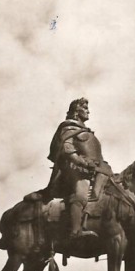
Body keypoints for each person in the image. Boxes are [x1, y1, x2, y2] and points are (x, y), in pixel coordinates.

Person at [44, 97, 113, 239]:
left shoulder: (86, 131)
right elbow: (67, 150)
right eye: (85, 108)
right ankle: (76, 231)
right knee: (81, 194)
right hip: (74, 171)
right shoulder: (68, 128)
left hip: (93, 170)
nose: (88, 111)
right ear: (76, 111)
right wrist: (83, 163)